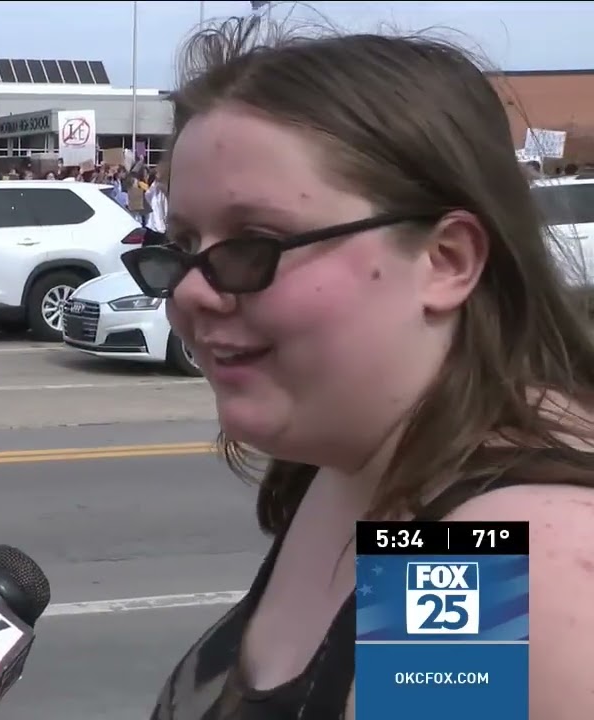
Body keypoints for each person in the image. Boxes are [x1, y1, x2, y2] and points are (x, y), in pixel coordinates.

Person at [129, 16, 594, 719]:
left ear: (447, 262)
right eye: (185, 242)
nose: (192, 289)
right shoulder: (356, 459)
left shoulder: (469, 561)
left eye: (256, 242)